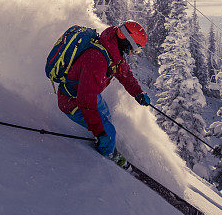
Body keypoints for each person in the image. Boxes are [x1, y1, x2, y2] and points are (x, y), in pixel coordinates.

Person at [56, 20, 151, 159]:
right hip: (72, 101)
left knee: (106, 115)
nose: (133, 53)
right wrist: (101, 133)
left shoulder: (113, 51)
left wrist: (138, 93)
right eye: (136, 49)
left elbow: (125, 75)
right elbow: (86, 102)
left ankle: (103, 139)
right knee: (109, 132)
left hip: (88, 95)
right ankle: (107, 158)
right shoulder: (97, 60)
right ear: (127, 41)